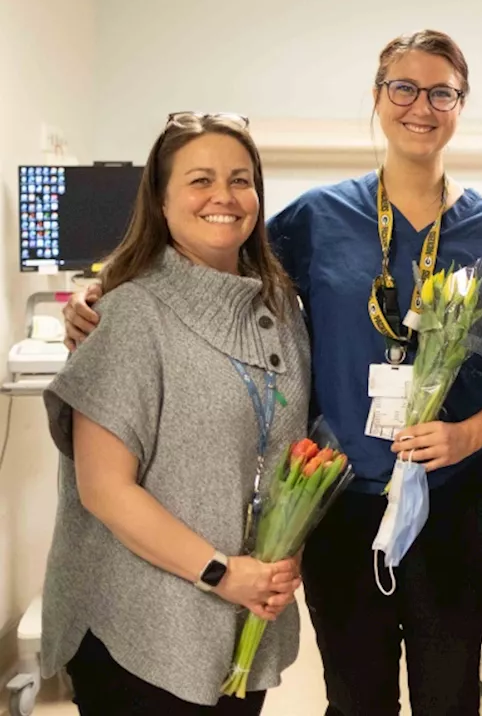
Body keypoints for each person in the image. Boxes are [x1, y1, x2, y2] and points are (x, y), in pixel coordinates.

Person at [61, 29, 482, 716]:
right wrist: (99, 291)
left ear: (461, 105)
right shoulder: (319, 219)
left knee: (449, 695)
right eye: (403, 88)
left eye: (442, 92)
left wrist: (467, 437)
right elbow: (214, 257)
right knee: (354, 695)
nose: (421, 106)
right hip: (340, 501)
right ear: (379, 98)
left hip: (451, 504)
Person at [42, 112, 307, 714]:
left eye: (241, 179)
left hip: (242, 621)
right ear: (161, 202)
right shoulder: (131, 313)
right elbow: (104, 489)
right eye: (200, 180)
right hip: (139, 626)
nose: (224, 196)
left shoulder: (283, 312)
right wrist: (220, 573)